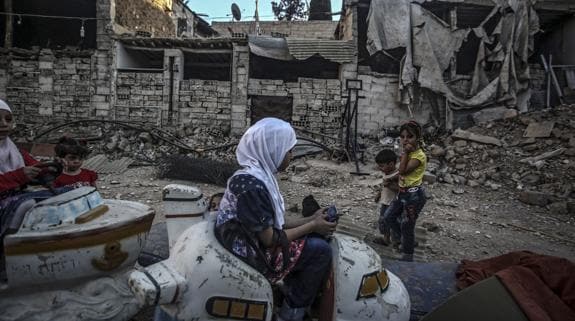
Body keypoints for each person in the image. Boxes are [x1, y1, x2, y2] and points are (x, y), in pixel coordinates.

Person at [215, 118, 336, 321]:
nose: (291, 156)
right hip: (248, 252)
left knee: (313, 238)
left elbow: (274, 223)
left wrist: (311, 219)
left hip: (247, 240)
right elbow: (270, 239)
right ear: (273, 149)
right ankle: (292, 311)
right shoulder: (253, 186)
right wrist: (312, 225)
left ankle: (288, 291)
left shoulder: (254, 175)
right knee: (320, 250)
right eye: (289, 151)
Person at [384, 120, 427, 262]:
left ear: (418, 138)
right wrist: (391, 178)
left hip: (414, 196)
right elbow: (400, 173)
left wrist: (405, 152)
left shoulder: (418, 156)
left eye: (410, 136)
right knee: (389, 217)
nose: (405, 140)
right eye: (402, 137)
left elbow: (402, 170)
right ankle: (406, 240)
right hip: (403, 193)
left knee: (407, 225)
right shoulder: (408, 154)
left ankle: (408, 256)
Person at [374, 149, 399, 245]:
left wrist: (388, 185)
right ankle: (386, 238)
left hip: (393, 203)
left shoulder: (397, 175)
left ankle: (396, 241)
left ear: (391, 164)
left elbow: (400, 189)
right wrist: (379, 194)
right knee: (383, 221)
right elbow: (383, 186)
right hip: (385, 201)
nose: (380, 168)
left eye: (382, 166)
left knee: (392, 221)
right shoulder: (386, 173)